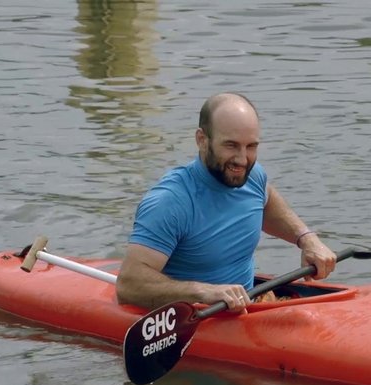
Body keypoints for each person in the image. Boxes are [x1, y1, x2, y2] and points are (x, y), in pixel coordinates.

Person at [116, 92, 337, 311]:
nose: (242, 159)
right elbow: (128, 285)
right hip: (199, 315)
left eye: (251, 146)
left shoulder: (252, 176)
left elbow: (266, 203)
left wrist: (306, 239)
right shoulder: (169, 202)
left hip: (249, 304)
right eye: (231, 145)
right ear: (202, 140)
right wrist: (203, 292)